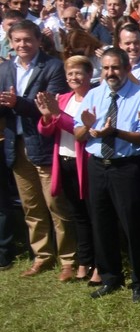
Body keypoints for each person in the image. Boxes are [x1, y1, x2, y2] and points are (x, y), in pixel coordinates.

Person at [75, 47, 140, 300]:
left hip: (126, 167)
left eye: (115, 68)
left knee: (133, 225)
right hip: (98, 165)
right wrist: (88, 126)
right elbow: (79, 135)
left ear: (127, 69)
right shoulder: (94, 94)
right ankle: (111, 276)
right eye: (106, 68)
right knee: (101, 223)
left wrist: (114, 132)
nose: (110, 73)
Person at [0, 19, 71, 276]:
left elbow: (50, 108)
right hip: (15, 144)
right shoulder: (5, 69)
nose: (22, 45)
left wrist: (17, 102)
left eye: (27, 40)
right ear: (10, 42)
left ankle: (68, 259)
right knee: (31, 205)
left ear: (39, 41)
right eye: (17, 40)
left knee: (56, 204)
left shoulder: (52, 67)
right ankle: (42, 255)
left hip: (44, 144)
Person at [34, 54, 95, 282]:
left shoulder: (94, 97)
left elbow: (81, 129)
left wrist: (58, 115)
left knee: (92, 214)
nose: (74, 77)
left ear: (89, 75)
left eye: (79, 72)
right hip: (64, 161)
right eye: (70, 74)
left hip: (86, 163)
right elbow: (47, 131)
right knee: (77, 215)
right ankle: (83, 261)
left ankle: (97, 263)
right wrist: (47, 117)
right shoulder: (63, 98)